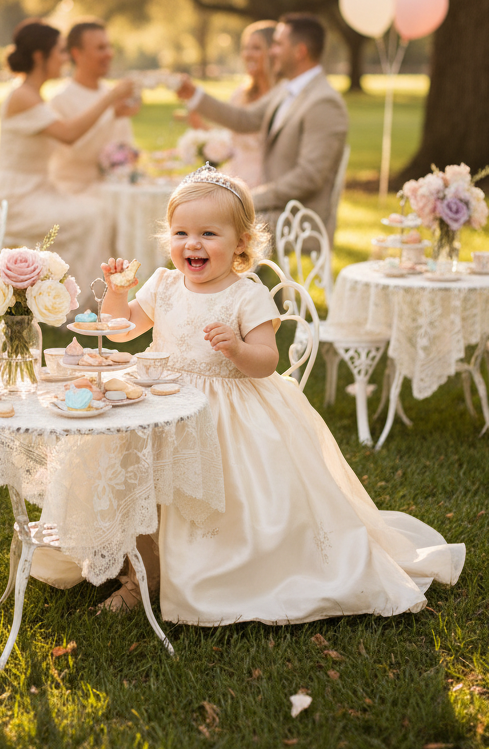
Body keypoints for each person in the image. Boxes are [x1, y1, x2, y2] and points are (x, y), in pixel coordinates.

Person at [99, 167, 465, 624]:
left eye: (208, 233)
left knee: (219, 499)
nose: (192, 244)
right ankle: (142, 574)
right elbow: (123, 329)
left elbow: (267, 361)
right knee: (143, 483)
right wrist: (117, 294)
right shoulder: (163, 284)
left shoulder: (246, 295)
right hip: (162, 401)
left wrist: (235, 349)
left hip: (225, 413)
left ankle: (216, 571)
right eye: (181, 233)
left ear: (241, 242)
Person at [0, 20, 135, 293]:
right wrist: (110, 98)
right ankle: (73, 302)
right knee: (91, 217)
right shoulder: (23, 96)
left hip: (40, 189)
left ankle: (71, 295)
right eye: (60, 52)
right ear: (39, 56)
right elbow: (69, 134)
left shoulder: (34, 95)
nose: (65, 59)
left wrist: (112, 113)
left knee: (96, 212)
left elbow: (71, 137)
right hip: (18, 198)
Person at [177, 14, 348, 240]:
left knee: (211, 226)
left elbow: (309, 176)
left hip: (299, 219)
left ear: (300, 52)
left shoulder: (324, 102)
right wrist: (194, 95)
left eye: (278, 44)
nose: (272, 51)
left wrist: (251, 199)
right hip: (274, 209)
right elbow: (243, 119)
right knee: (196, 221)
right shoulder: (286, 89)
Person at [48, 18, 139, 193]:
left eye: (109, 47)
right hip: (73, 191)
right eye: (100, 48)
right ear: (76, 54)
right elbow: (75, 156)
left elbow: (126, 147)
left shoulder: (112, 93)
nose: (109, 54)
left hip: (114, 189)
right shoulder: (59, 100)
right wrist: (112, 115)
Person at [186, 20, 277, 187]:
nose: (248, 54)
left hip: (266, 182)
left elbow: (243, 120)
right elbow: (231, 138)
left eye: (256, 48)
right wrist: (202, 129)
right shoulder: (240, 95)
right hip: (234, 176)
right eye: (246, 48)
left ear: (274, 52)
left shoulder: (281, 96)